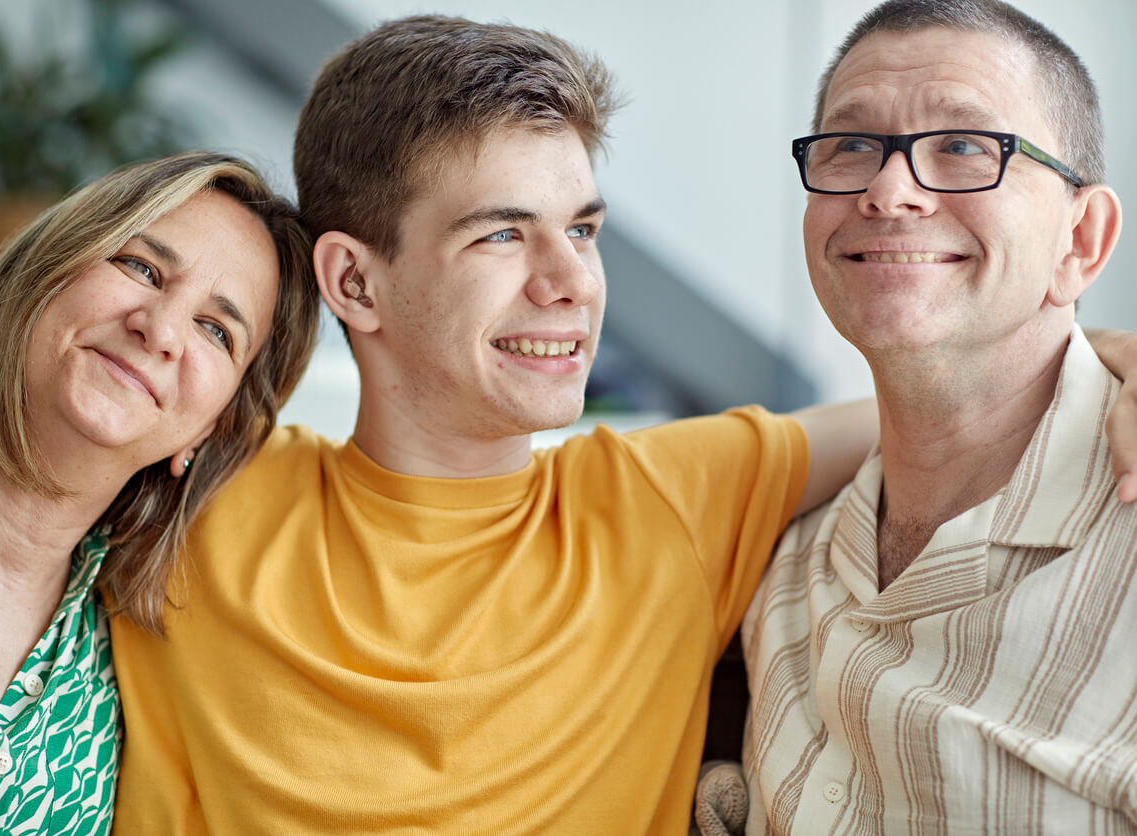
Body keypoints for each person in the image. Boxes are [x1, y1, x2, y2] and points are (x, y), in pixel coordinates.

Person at [110, 15, 1137, 835]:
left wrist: (1109, 353)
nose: (572, 285)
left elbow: (955, 390)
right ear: (352, 280)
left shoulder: (672, 498)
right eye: (503, 233)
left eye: (585, 230)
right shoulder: (193, 485)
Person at [737, 1, 1137, 832]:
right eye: (851, 145)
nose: (888, 192)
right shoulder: (778, 553)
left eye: (962, 147)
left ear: (1082, 242)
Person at [0, 151, 319, 834]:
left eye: (216, 330)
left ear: (207, 431)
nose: (163, 329)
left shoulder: (135, 668)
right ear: (43, 273)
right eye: (141, 267)